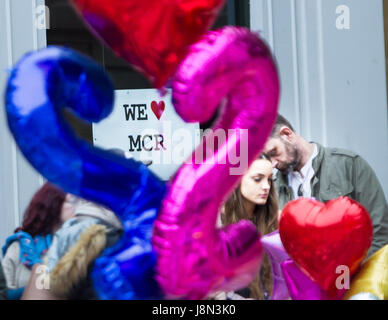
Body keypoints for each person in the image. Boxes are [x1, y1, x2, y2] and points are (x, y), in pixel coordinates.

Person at [263, 114, 388, 257]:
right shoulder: (271, 187)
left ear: (287, 134)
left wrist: (350, 273)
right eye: (267, 158)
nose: (272, 164)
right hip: (297, 278)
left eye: (274, 152)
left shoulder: (349, 165)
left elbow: (380, 233)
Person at [220, 154, 279, 300]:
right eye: (257, 179)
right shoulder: (217, 223)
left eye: (269, 179)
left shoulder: (274, 219)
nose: (266, 186)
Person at [1, 182, 75, 292]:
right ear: (53, 204)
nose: (78, 207)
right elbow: (3, 293)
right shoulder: (19, 248)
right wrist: (38, 290)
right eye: (71, 202)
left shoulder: (84, 246)